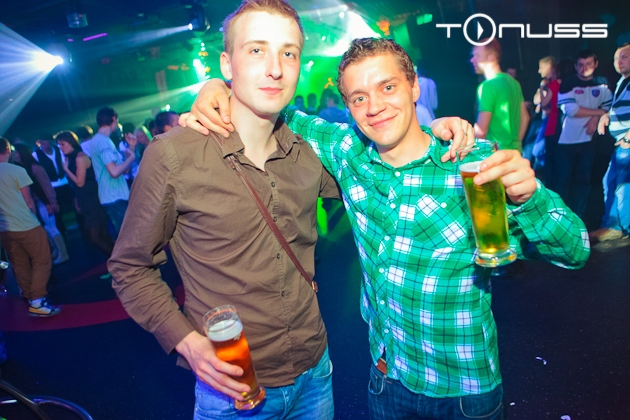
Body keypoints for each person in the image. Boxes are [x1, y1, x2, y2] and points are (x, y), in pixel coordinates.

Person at [188, 37, 590, 420]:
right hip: (386, 381)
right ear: (348, 106)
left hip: (463, 394)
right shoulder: (348, 152)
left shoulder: (470, 165)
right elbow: (281, 113)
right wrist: (218, 87)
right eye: (358, 98)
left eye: (387, 87)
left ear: (414, 87)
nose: (374, 107)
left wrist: (530, 197)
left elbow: (575, 250)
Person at [110, 2, 472, 419]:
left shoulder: (309, 154)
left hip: (315, 375)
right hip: (232, 390)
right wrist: (186, 342)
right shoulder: (174, 156)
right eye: (256, 50)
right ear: (227, 64)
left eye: (288, 53)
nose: (275, 69)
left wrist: (433, 134)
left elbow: (387, 167)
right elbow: (130, 266)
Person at [0, 137, 61, 317]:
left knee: (19, 264)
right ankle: (37, 300)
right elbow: (29, 202)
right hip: (26, 225)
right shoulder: (17, 170)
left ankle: (30, 297)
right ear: (8, 150)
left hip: (4, 229)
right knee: (43, 259)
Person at [554, 50, 613, 218]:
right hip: (567, 141)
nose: (584, 68)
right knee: (563, 180)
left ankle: (578, 217)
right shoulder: (568, 83)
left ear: (596, 64)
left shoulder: (602, 83)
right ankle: (561, 216)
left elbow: (609, 106)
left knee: (584, 182)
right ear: (575, 66)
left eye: (588, 64)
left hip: (589, 140)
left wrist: (596, 118)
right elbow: (571, 110)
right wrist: (598, 113)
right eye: (580, 65)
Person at [592, 43, 630, 242]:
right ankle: (613, 225)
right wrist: (606, 115)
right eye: (616, 58)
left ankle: (620, 227)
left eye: (624, 57)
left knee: (623, 186)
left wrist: (628, 137)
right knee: (610, 182)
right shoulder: (623, 82)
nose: (619, 62)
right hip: (620, 143)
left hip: (627, 144)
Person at [57, 131, 115, 259]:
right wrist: (77, 199)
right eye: (59, 145)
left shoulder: (80, 157)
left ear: (71, 142)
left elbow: (80, 182)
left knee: (95, 237)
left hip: (92, 198)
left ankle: (119, 262)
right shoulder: (72, 158)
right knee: (103, 235)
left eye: (62, 144)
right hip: (86, 197)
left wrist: (66, 169)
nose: (60, 147)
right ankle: (120, 262)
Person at [11, 144, 69, 265]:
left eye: (16, 153)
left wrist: (51, 202)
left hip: (44, 202)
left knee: (51, 227)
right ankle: (56, 251)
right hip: (37, 202)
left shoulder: (35, 168)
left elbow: (46, 185)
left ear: (22, 153)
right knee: (46, 228)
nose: (14, 155)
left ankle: (63, 253)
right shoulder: (23, 169)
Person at [471, 38, 530, 152]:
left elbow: (481, 131)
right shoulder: (513, 83)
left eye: (477, 55)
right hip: (515, 154)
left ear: (491, 57)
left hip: (495, 155)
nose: (472, 60)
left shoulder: (487, 86)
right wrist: (515, 145)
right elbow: (525, 118)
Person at [89, 106, 136, 235]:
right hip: (114, 197)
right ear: (114, 119)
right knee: (129, 236)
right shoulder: (102, 142)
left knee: (129, 235)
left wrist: (131, 149)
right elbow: (114, 172)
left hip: (115, 196)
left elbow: (124, 171)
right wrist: (131, 158)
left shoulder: (103, 140)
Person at [31, 134, 74, 239]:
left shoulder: (58, 150)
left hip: (64, 183)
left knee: (75, 205)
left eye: (47, 141)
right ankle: (62, 235)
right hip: (51, 187)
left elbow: (65, 163)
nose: (45, 144)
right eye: (42, 142)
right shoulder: (36, 155)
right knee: (57, 213)